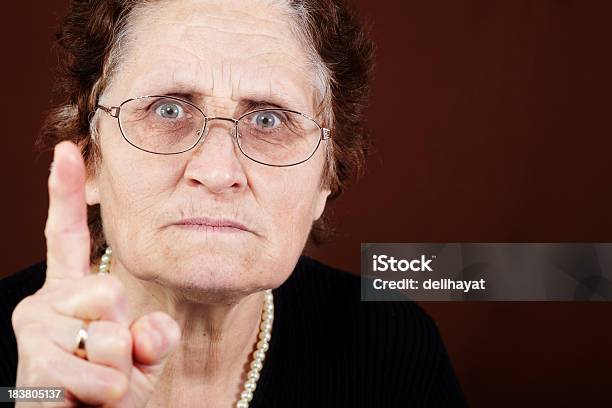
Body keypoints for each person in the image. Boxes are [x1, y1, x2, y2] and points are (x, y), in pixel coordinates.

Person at [0, 0, 467, 406]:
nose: (219, 172)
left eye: (269, 120)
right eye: (168, 109)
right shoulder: (17, 372)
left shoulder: (394, 348)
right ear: (89, 158)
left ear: (327, 175)